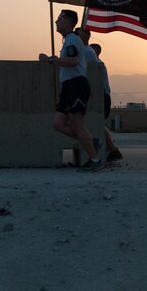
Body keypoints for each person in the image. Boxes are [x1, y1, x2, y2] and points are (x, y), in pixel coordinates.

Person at [39, 9, 103, 172]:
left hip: (76, 85)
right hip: (68, 86)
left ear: (68, 22)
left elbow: (73, 61)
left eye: (59, 19)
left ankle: (95, 159)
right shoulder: (69, 40)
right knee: (58, 124)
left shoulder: (72, 40)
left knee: (77, 124)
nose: (56, 22)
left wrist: (51, 60)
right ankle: (91, 141)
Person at [86, 39, 123, 163]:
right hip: (101, 96)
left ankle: (113, 150)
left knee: (99, 124)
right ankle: (112, 149)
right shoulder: (96, 65)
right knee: (100, 125)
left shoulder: (98, 65)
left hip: (102, 96)